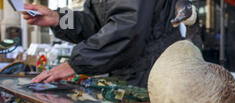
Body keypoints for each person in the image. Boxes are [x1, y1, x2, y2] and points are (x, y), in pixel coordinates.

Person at [22, 0, 182, 87]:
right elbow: (95, 24)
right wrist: (57, 18)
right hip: (129, 74)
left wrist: (75, 64)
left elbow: (128, 28)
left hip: (154, 75)